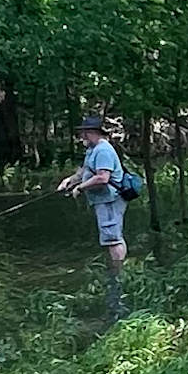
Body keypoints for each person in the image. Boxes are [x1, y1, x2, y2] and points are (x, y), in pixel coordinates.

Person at [57, 109, 134, 317]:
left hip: (110, 200)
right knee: (111, 238)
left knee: (113, 239)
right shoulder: (93, 150)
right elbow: (85, 171)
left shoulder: (104, 150)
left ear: (92, 132)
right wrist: (70, 181)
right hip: (102, 201)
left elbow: (102, 178)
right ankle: (117, 271)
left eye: (84, 133)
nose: (81, 136)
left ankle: (118, 276)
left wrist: (80, 188)